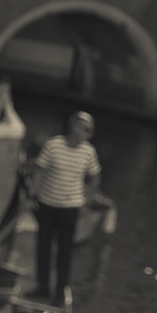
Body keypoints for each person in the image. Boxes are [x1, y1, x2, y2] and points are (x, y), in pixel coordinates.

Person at [27, 111, 107, 301]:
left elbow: (95, 175)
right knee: (44, 246)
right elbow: (39, 170)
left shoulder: (89, 152)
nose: (88, 133)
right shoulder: (53, 145)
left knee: (65, 249)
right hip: (47, 204)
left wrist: (88, 198)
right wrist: (32, 194)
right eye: (85, 128)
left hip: (70, 207)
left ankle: (60, 289)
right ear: (73, 127)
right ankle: (43, 287)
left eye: (90, 130)